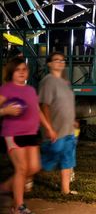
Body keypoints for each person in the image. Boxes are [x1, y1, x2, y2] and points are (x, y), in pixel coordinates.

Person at [0, 57, 57, 214]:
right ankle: (18, 206)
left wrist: (49, 128)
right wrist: (5, 111)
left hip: (31, 133)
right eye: (18, 69)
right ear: (11, 72)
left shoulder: (30, 90)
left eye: (24, 69)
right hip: (13, 133)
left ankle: (5, 187)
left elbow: (37, 111)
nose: (22, 72)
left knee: (34, 167)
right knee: (22, 168)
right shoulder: (6, 89)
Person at [38, 52, 79, 195]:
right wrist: (49, 128)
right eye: (56, 60)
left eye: (62, 60)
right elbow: (45, 105)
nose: (60, 62)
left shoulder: (65, 82)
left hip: (67, 129)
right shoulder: (48, 81)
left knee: (68, 158)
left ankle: (65, 190)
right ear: (49, 64)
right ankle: (25, 174)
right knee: (49, 158)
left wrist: (72, 121)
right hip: (55, 130)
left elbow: (66, 105)